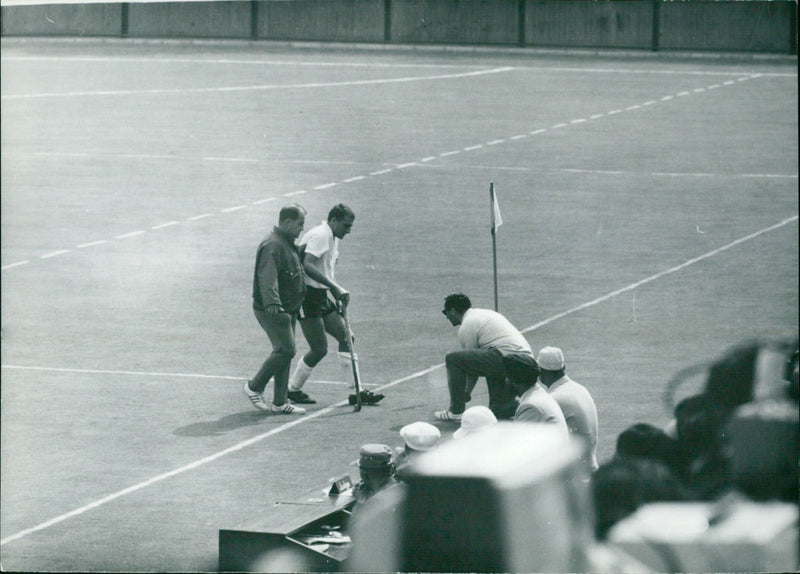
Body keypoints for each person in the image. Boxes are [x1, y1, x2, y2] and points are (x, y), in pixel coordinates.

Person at [287, 204, 355, 404]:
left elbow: (325, 271)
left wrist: (335, 294)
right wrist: (335, 288)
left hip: (321, 295)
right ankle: (292, 389)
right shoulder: (320, 235)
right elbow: (307, 265)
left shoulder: (333, 237)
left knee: (347, 338)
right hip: (307, 296)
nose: (348, 230)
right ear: (333, 220)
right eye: (346, 225)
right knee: (319, 348)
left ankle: (355, 392)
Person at [243, 204, 308, 415]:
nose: (301, 229)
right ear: (288, 222)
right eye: (300, 224)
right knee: (286, 349)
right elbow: (267, 276)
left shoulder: (287, 243)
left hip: (289, 307)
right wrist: (272, 302)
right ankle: (254, 387)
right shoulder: (273, 244)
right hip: (273, 309)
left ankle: (280, 402)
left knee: (284, 351)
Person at [436, 293, 533, 422]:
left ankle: (456, 411)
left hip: (507, 359)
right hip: (526, 362)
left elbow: (470, 368)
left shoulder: (467, 325)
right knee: (498, 411)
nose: (446, 317)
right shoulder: (483, 314)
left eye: (445, 312)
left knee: (453, 359)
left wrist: (466, 393)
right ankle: (523, 406)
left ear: (452, 310)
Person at [537, 346, 600, 472]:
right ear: (563, 367)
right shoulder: (580, 389)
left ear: (540, 372)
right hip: (590, 465)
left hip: (577, 474)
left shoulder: (554, 398)